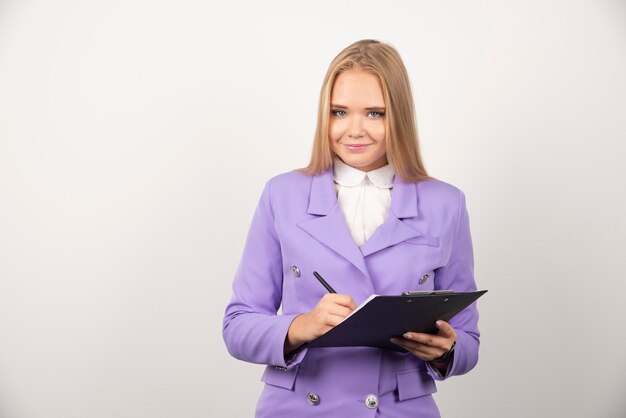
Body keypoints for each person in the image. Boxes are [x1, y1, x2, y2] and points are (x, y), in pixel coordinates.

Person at [222, 39, 481, 417]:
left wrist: (446, 351)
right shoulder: (282, 195)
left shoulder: (446, 203)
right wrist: (300, 327)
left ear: (400, 116)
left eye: (375, 113)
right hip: (299, 408)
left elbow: (469, 340)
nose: (354, 129)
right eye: (339, 111)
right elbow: (237, 325)